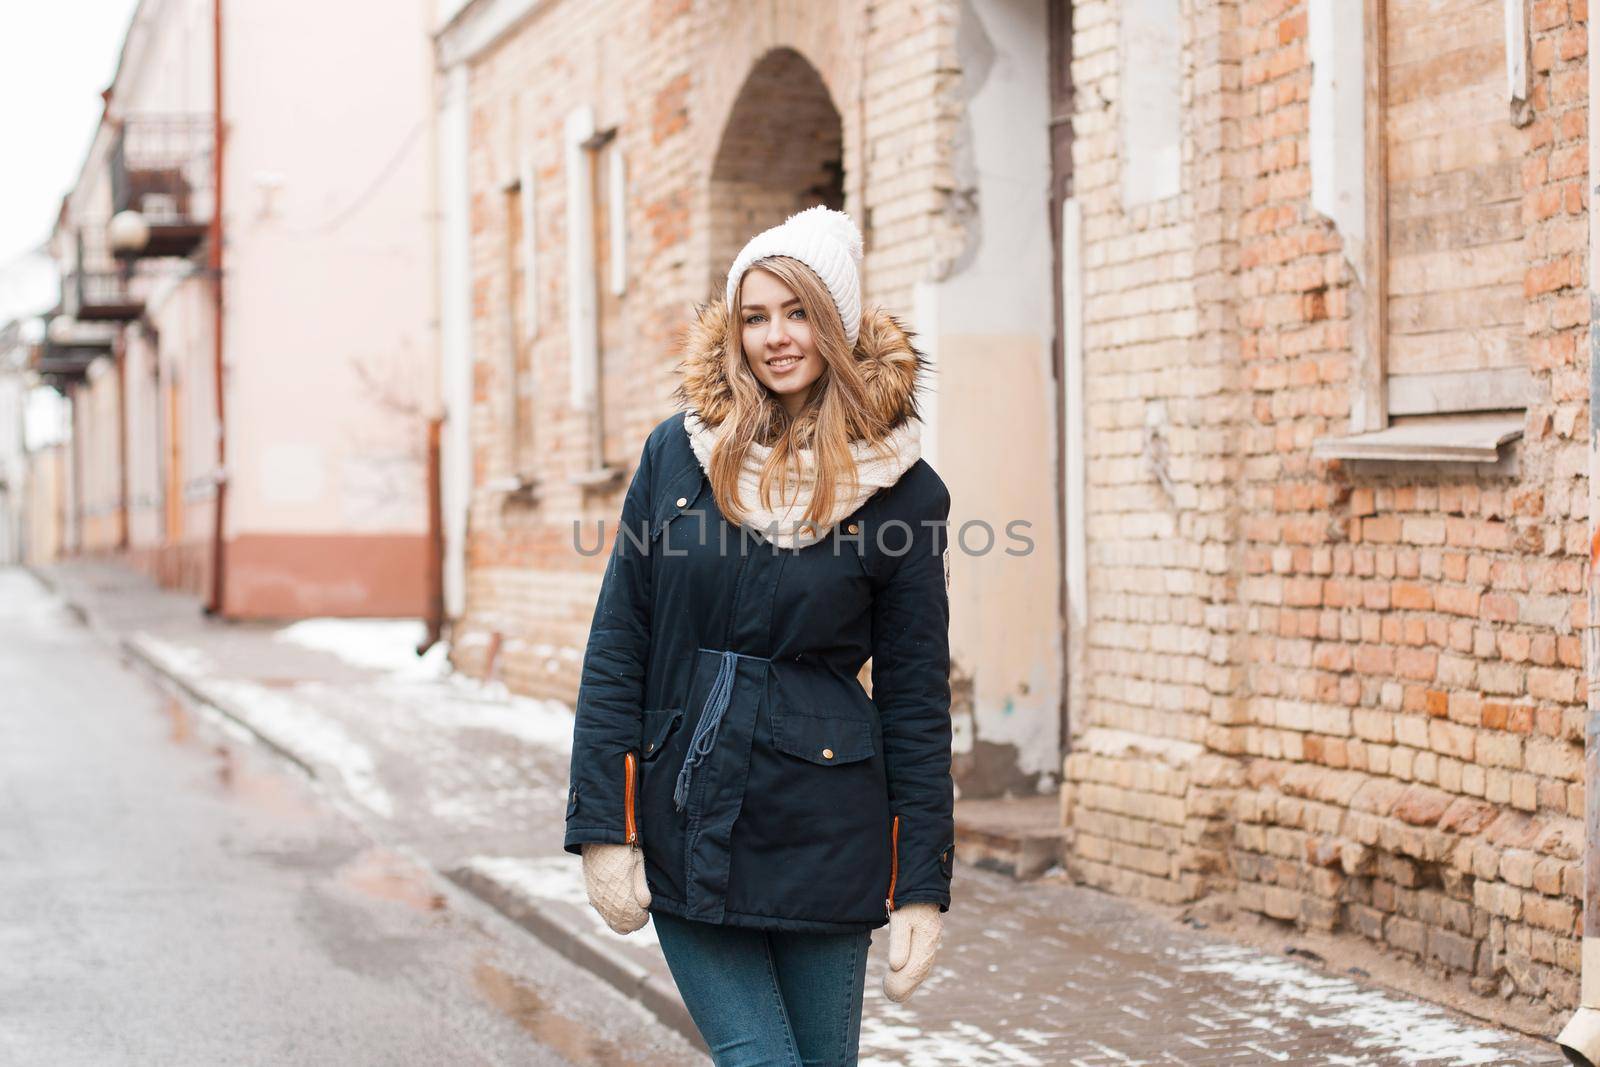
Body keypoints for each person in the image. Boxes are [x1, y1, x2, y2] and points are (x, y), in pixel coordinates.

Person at [563, 205, 954, 1066]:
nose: (776, 337)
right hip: (685, 816)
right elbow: (619, 642)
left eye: (799, 311)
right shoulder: (677, 455)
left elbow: (918, 695)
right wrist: (604, 823)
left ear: (839, 324)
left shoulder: (905, 491)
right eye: (755, 315)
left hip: (826, 828)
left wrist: (920, 881)